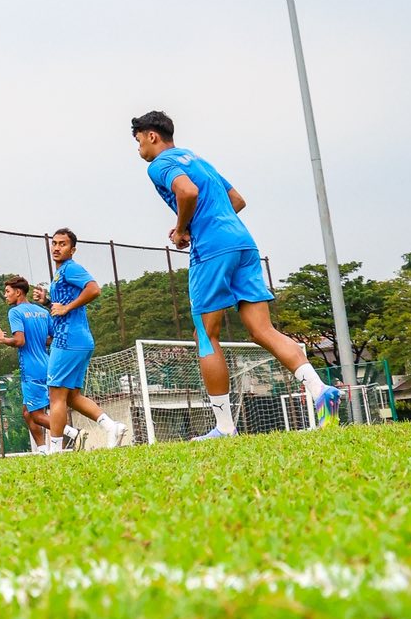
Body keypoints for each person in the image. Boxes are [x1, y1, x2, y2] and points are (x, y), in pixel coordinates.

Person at [131, 109, 343, 437]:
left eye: (139, 141)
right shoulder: (199, 160)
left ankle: (225, 427)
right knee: (262, 330)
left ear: (152, 136)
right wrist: (204, 222)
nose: (139, 148)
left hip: (212, 249)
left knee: (206, 335)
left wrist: (183, 229)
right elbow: (237, 200)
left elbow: (187, 192)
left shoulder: (159, 164)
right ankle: (320, 390)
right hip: (243, 242)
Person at [45, 229, 131, 450]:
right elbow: (62, 306)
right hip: (78, 339)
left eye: (62, 244)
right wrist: (47, 301)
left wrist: (66, 308)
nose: (56, 247)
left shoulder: (70, 268)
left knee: (56, 395)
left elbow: (94, 289)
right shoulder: (61, 272)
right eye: (54, 243)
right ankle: (111, 426)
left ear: (72, 250)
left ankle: (54, 451)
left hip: (68, 340)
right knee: (72, 396)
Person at [0, 274, 54, 453]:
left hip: (31, 369)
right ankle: (42, 450)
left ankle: (72, 432)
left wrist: (3, 340)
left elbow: (19, 341)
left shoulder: (15, 312)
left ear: (18, 292)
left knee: (36, 415)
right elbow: (52, 338)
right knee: (27, 412)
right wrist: (38, 340)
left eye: (7, 291)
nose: (5, 295)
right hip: (48, 366)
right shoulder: (42, 311)